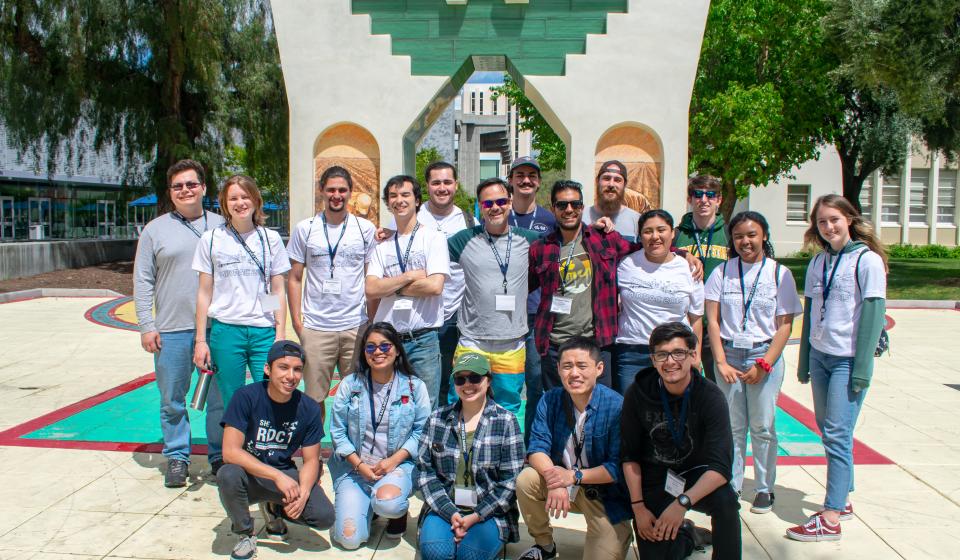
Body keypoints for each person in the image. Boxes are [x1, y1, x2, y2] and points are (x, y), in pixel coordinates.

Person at [787, 194, 887, 542]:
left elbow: (873, 315)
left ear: (849, 219)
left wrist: (861, 369)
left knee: (837, 433)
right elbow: (812, 311)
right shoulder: (818, 263)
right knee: (828, 430)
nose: (828, 226)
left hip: (847, 359)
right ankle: (842, 499)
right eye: (822, 222)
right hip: (821, 355)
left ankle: (830, 516)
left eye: (834, 219)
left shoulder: (867, 261)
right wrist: (804, 362)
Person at [134, 159, 226, 487]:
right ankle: (177, 455)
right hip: (172, 328)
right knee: (172, 397)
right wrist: (147, 325)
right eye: (178, 186)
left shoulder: (223, 225)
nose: (185, 190)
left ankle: (219, 455)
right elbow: (143, 280)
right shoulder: (155, 230)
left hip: (218, 328)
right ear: (170, 192)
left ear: (203, 187)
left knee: (220, 398)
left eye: (191, 184)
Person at [704, 211, 801, 513]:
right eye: (738, 236)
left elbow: (784, 325)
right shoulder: (722, 272)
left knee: (762, 426)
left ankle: (763, 488)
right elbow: (713, 320)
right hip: (730, 356)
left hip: (763, 355)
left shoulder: (778, 273)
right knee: (733, 427)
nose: (745, 241)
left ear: (764, 236)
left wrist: (765, 364)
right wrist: (720, 361)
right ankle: (732, 486)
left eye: (751, 235)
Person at [621, 322, 741, 560]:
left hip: (695, 476)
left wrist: (681, 504)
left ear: (693, 355)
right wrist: (639, 507)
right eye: (662, 355)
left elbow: (721, 468)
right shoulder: (638, 393)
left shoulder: (710, 396)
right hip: (655, 477)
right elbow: (629, 456)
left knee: (726, 501)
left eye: (678, 353)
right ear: (653, 360)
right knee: (659, 553)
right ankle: (688, 535)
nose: (670, 362)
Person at [515, 336, 633, 560]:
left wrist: (573, 476)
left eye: (582, 366)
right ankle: (544, 546)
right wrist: (554, 479)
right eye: (567, 366)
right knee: (526, 480)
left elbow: (617, 467)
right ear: (558, 369)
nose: (574, 373)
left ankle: (619, 533)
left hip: (603, 494)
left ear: (599, 369)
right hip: (563, 483)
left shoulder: (617, 407)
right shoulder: (550, 400)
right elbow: (536, 448)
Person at [217, 340, 335, 560]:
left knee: (324, 517)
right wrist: (276, 476)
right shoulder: (246, 397)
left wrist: (304, 493)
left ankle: (275, 509)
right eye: (283, 367)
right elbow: (230, 452)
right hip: (250, 474)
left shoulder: (308, 407)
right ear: (267, 369)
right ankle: (245, 533)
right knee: (228, 474)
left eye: (297, 369)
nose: (291, 376)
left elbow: (311, 460)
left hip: (283, 473)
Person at [528, 180, 639, 392]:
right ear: (553, 209)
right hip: (554, 345)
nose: (569, 210)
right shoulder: (540, 248)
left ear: (582, 207)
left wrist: (683, 254)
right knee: (558, 408)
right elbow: (523, 286)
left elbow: (642, 249)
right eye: (562, 205)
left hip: (596, 343)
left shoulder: (604, 239)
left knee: (599, 407)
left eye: (575, 204)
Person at [328, 322, 432, 549]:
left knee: (389, 503)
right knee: (349, 539)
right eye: (370, 347)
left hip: (396, 466)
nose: (378, 352)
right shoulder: (350, 385)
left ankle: (392, 510)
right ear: (363, 352)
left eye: (385, 346)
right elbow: (337, 431)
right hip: (356, 469)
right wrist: (358, 465)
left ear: (396, 350)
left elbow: (421, 432)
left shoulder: (414, 387)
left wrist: (392, 461)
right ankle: (368, 507)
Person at [192, 175, 290, 413]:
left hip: (264, 332)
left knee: (270, 398)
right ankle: (235, 450)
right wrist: (201, 341)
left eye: (245, 196)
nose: (240, 203)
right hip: (226, 331)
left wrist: (280, 334)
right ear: (225, 204)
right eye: (233, 198)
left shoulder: (271, 239)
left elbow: (277, 289)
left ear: (256, 200)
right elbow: (204, 293)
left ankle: (264, 450)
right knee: (233, 403)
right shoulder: (211, 239)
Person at [287, 166, 376, 419]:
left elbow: (372, 278)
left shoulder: (365, 229)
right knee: (313, 400)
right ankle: (314, 457)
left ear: (350, 193)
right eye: (331, 190)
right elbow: (294, 278)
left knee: (356, 398)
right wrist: (297, 321)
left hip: (355, 326)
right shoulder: (305, 228)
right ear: (321, 192)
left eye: (342, 190)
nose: (336, 195)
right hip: (316, 327)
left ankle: (349, 456)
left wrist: (372, 321)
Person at [416, 353, 525, 560]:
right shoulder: (437, 419)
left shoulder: (506, 422)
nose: (468, 384)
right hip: (445, 506)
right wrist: (452, 514)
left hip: (489, 511)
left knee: (470, 555)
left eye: (475, 378)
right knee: (435, 554)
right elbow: (424, 473)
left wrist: (474, 517)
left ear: (489, 380)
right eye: (460, 379)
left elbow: (510, 483)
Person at [447, 178, 540, 415]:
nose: (495, 207)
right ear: (480, 206)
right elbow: (425, 249)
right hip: (472, 341)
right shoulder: (462, 240)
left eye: (500, 201)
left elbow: (566, 242)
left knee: (507, 407)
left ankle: (502, 451)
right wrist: (389, 233)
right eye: (488, 203)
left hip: (512, 342)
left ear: (510, 202)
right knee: (462, 402)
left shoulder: (530, 240)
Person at [366, 175, 450, 408]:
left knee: (425, 406)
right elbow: (371, 289)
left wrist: (391, 286)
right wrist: (410, 276)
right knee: (387, 404)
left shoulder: (433, 238)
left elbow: (435, 286)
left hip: (423, 340)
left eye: (405, 195)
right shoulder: (382, 245)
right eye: (393, 196)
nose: (399, 201)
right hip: (387, 341)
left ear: (417, 201)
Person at [614, 210, 704, 393]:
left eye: (661, 230)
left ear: (672, 233)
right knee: (632, 413)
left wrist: (696, 356)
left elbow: (695, 319)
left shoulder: (689, 268)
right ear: (640, 236)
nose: (655, 236)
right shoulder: (625, 264)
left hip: (675, 353)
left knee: (674, 411)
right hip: (632, 352)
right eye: (648, 231)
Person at [506, 156, 555, 441]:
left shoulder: (549, 219)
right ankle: (505, 443)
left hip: (537, 315)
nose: (526, 180)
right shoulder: (497, 211)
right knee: (505, 383)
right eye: (520, 175)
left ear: (538, 181)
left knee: (536, 382)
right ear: (510, 180)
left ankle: (532, 445)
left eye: (531, 175)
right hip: (504, 316)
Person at [674, 175, 729, 383]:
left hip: (720, 324)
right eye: (698, 194)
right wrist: (681, 253)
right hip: (687, 322)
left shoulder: (728, 233)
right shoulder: (678, 234)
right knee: (686, 382)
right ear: (690, 199)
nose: (704, 200)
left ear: (719, 200)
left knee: (720, 385)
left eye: (710, 195)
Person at [583, 160, 641, 241]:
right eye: (606, 178)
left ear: (624, 185)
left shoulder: (636, 220)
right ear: (597, 181)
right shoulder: (581, 217)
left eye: (617, 180)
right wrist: (589, 230)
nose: (611, 184)